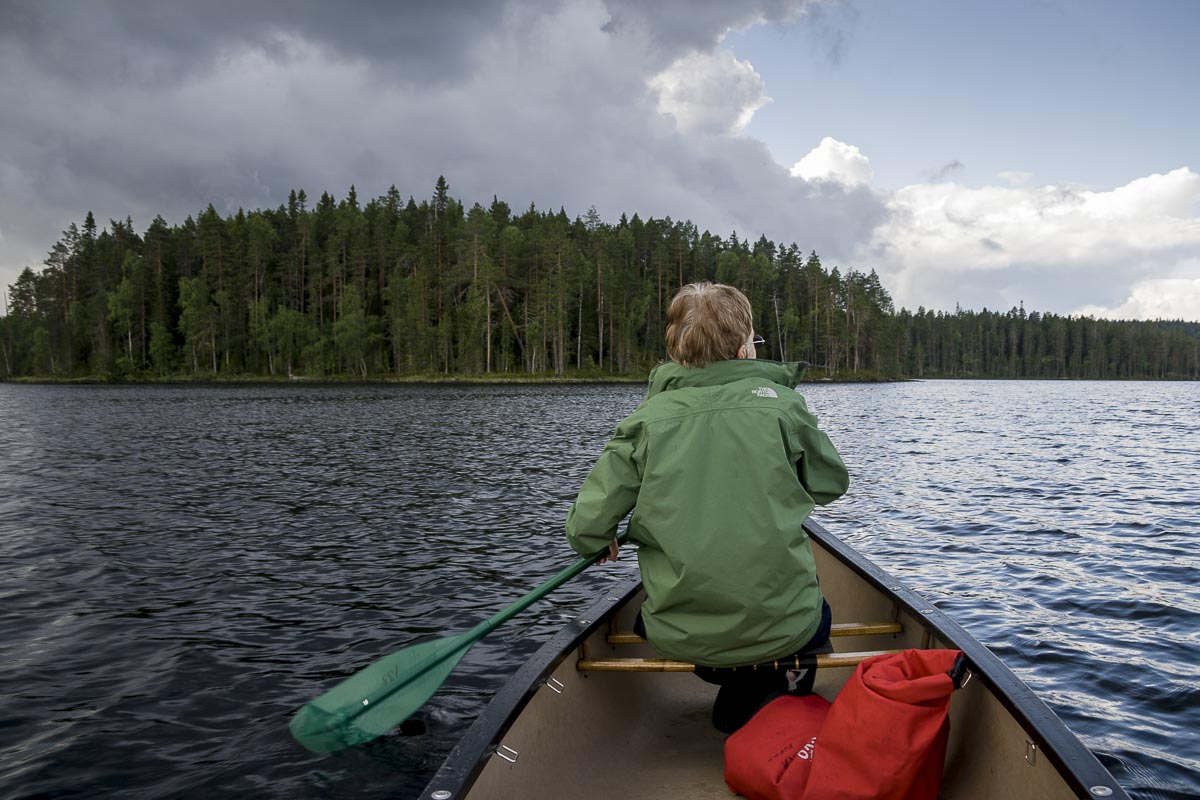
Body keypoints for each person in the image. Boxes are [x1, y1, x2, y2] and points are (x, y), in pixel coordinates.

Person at [565, 281, 850, 732]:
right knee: (814, 613)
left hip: (679, 637)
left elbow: (585, 527)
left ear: (676, 354)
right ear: (743, 350)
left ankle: (744, 692)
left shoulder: (645, 423)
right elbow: (831, 485)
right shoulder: (784, 407)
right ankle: (776, 691)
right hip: (785, 633)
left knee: (656, 615)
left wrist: (598, 540)